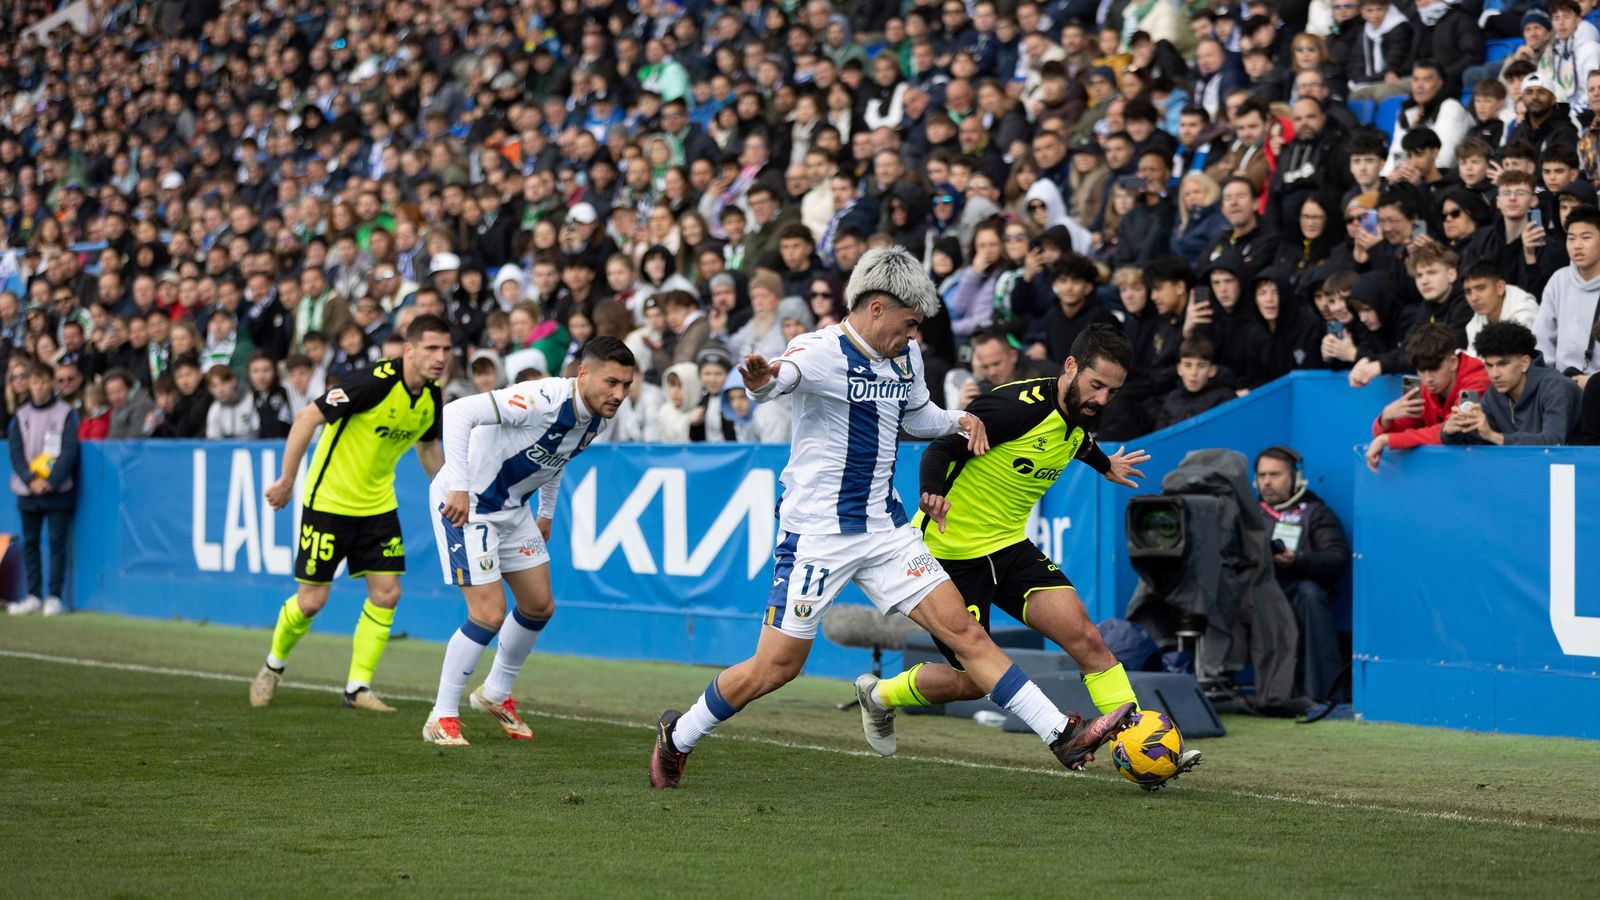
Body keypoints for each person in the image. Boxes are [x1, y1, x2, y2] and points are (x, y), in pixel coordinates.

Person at [647, 246, 1134, 790]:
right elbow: (775, 383)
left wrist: (962, 419)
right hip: (818, 536)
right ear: (875, 308)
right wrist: (761, 379)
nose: (913, 335)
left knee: (966, 634)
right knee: (777, 668)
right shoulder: (819, 349)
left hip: (886, 530)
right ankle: (680, 732)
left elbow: (920, 415)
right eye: (907, 324)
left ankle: (1059, 734)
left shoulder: (907, 357)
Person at [857, 324, 1200, 781]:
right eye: (1096, 385)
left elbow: (1073, 439)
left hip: (1010, 548)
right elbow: (940, 448)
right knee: (972, 681)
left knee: (1089, 639)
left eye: (1112, 391)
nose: (1102, 399)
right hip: (950, 554)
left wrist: (1106, 464)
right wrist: (932, 493)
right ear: (1071, 367)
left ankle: (1138, 741)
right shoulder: (1012, 407)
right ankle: (880, 696)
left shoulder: (1079, 413)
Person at [422, 337, 637, 746]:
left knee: (539, 605)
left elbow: (555, 460)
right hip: (468, 504)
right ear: (583, 374)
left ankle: (495, 694)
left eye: (626, 385)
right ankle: (441, 715)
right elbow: (457, 411)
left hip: (512, 508)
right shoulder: (542, 397)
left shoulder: (597, 418)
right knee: (487, 613)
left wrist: (546, 512)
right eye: (612, 382)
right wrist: (459, 487)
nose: (619, 394)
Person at [248, 316, 452, 712]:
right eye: (431, 348)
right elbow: (308, 416)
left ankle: (357, 688)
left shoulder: (430, 397)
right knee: (311, 601)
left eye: (445, 349)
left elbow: (427, 447)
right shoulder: (372, 382)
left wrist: (446, 493)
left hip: (378, 506)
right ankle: (273, 666)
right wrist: (287, 480)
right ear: (408, 349)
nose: (440, 357)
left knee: (388, 593)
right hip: (330, 502)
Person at [1255, 446, 1350, 704]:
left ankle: (1321, 696)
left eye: (1275, 474)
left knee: (1310, 592)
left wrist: (1296, 560)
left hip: (1300, 590)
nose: (1267, 482)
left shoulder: (1316, 513)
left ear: (1295, 478)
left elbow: (1337, 558)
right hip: (1257, 591)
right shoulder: (1248, 515)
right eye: (1262, 475)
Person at [1365, 323, 1489, 471]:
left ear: (1453, 363)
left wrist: (1387, 439)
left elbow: (1456, 431)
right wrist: (1385, 419)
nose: (1428, 379)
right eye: (1421, 370)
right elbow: (1390, 435)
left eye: (1434, 369)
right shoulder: (1426, 388)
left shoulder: (1477, 380)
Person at [6, 362, 78, 617]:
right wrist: (30, 479)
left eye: (43, 381)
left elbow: (70, 450)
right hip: (28, 492)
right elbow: (15, 452)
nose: (38, 386)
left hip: (58, 491)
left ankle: (55, 596)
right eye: (34, 381)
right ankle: (34, 595)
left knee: (57, 544)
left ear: (52, 383)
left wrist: (52, 481)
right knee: (31, 544)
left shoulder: (65, 413)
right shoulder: (21, 416)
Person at [1442, 322, 1585, 445]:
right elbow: (1477, 438)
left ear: (1524, 363)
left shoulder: (1556, 387)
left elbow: (1553, 441)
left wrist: (1495, 437)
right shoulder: (1494, 393)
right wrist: (1450, 431)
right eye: (1489, 366)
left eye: (1503, 364)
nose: (1494, 374)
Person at [1156, 335, 1237, 429]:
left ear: (1212, 371)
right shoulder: (1171, 399)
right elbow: (1160, 436)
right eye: (1188, 365)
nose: (1194, 373)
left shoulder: (1224, 397)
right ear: (1179, 369)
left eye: (1201, 366)